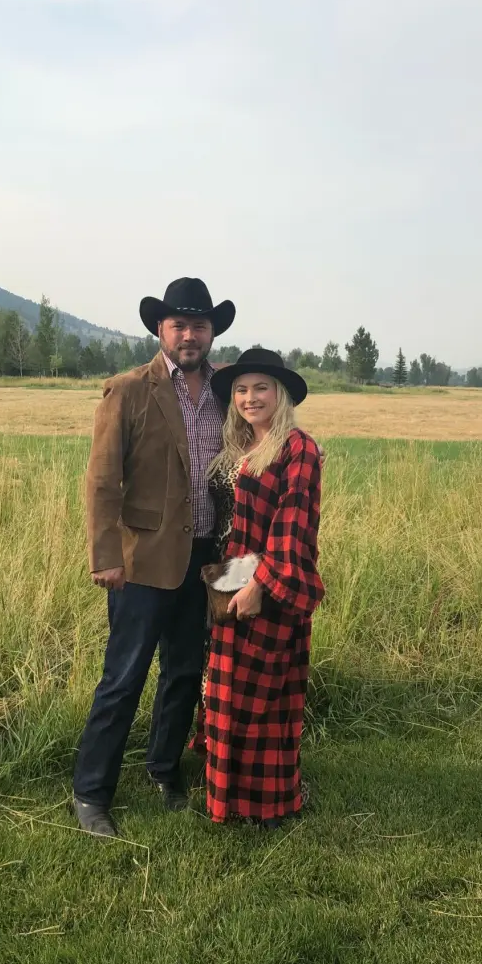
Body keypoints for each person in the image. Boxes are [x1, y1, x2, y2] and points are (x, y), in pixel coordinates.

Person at [73, 277, 235, 837]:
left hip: (206, 558)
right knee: (124, 677)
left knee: (185, 672)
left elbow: (253, 448)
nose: (190, 335)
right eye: (179, 325)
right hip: (142, 560)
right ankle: (91, 793)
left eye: (199, 325)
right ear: (160, 330)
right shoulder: (128, 391)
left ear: (211, 332)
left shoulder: (224, 392)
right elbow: (102, 481)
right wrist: (106, 555)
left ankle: (164, 771)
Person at [203, 348, 324, 829]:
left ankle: (268, 804)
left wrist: (260, 585)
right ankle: (228, 795)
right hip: (228, 577)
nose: (249, 398)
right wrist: (226, 580)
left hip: (272, 583)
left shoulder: (298, 448)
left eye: (260, 388)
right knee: (228, 691)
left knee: (265, 699)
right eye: (240, 389)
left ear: (281, 394)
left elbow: (293, 526)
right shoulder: (240, 446)